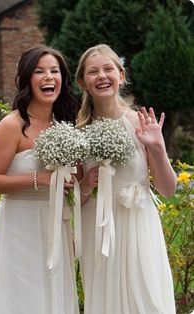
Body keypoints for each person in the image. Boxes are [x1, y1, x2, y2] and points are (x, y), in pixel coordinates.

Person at [76, 44, 177, 314]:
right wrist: (86, 184)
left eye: (108, 69)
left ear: (121, 76)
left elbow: (168, 189)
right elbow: (75, 199)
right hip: (96, 229)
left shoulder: (142, 122)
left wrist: (156, 146)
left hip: (138, 224)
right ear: (82, 82)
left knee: (148, 300)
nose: (102, 76)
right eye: (93, 71)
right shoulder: (78, 132)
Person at [0, 45, 79, 314]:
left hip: (56, 224)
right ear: (28, 79)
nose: (49, 77)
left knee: (54, 297)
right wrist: (39, 179)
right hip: (19, 226)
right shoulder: (13, 125)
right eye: (40, 71)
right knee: (24, 299)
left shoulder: (65, 124)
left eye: (54, 71)